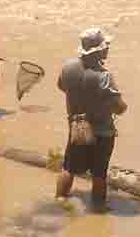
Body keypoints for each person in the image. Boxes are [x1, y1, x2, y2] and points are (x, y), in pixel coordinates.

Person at [56, 28, 127, 208]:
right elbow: (119, 109)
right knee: (99, 174)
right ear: (98, 51)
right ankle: (97, 210)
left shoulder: (68, 67)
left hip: (77, 127)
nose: (107, 49)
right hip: (101, 131)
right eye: (105, 47)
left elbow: (61, 86)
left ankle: (60, 201)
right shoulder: (104, 77)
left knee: (69, 167)